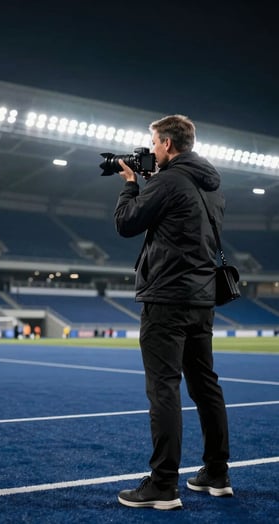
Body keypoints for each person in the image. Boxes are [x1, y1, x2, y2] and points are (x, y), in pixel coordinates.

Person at [114, 114, 232, 511]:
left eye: (154, 143)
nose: (151, 150)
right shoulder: (210, 184)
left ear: (166, 143)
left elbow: (126, 224)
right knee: (205, 386)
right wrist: (153, 185)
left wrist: (131, 186)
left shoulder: (167, 180)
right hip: (201, 299)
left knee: (163, 388)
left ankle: (164, 484)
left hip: (166, 297)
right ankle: (217, 473)